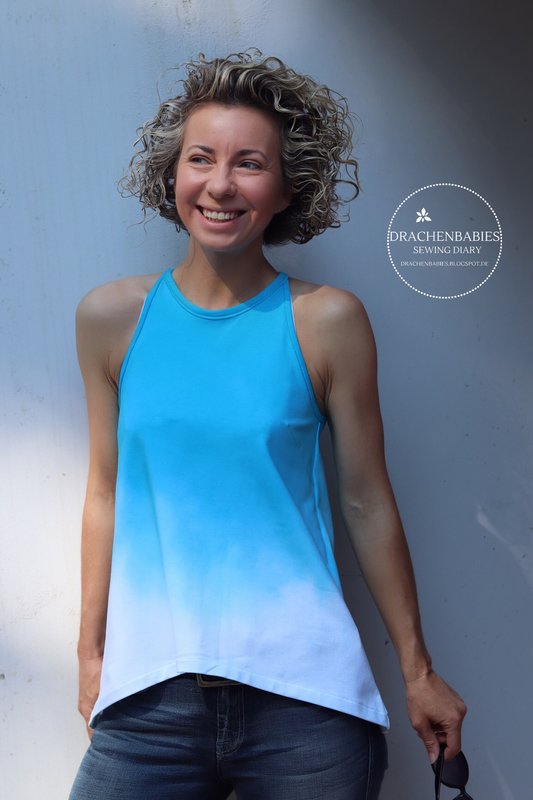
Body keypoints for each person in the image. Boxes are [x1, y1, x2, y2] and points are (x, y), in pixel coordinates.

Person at [69, 50, 466, 800]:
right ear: (172, 175)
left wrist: (418, 672)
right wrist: (91, 656)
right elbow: (104, 492)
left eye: (249, 163)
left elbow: (365, 502)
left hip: (307, 706)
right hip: (149, 697)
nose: (220, 184)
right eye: (200, 159)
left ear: (286, 188)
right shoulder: (111, 319)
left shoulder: (327, 321)